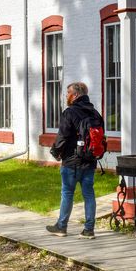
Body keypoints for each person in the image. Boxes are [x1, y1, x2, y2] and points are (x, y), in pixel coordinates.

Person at [46, 82, 104, 239]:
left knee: (67, 192)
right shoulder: (95, 113)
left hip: (71, 161)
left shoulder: (70, 112)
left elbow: (62, 135)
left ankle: (61, 226)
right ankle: (89, 230)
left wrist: (55, 151)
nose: (67, 96)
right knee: (89, 194)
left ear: (76, 95)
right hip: (90, 160)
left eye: (68, 93)